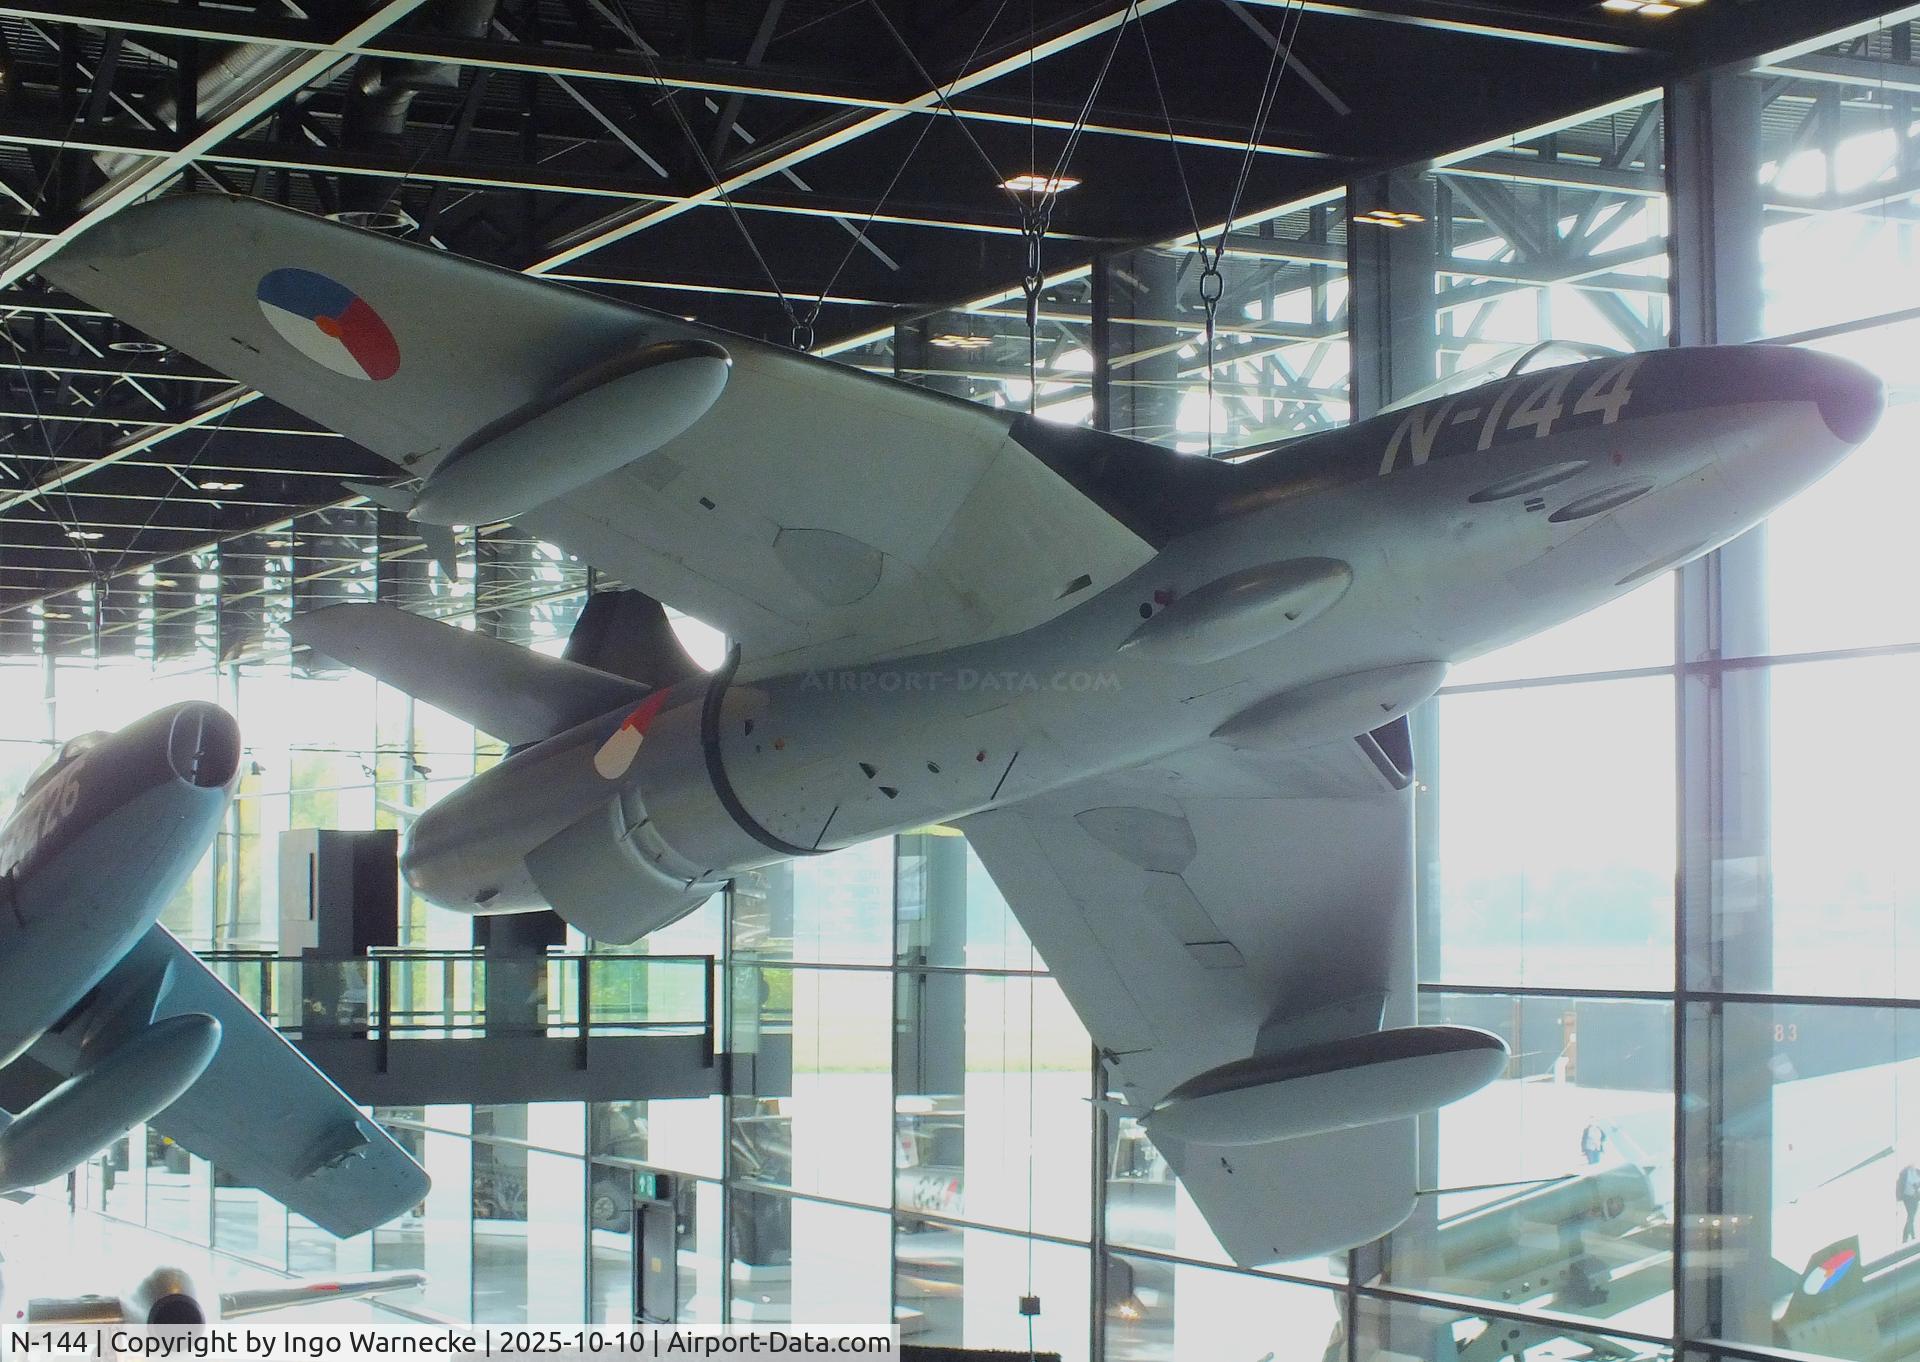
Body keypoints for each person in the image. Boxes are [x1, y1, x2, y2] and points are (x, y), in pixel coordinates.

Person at [1896, 1163, 1920, 1242]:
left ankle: (1909, 1236)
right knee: (1911, 1216)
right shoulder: (1904, 1173)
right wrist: (1899, 1196)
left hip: (1915, 1197)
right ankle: (1908, 1236)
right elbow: (1900, 1184)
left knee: (1911, 1216)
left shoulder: (1917, 1171)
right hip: (1907, 1197)